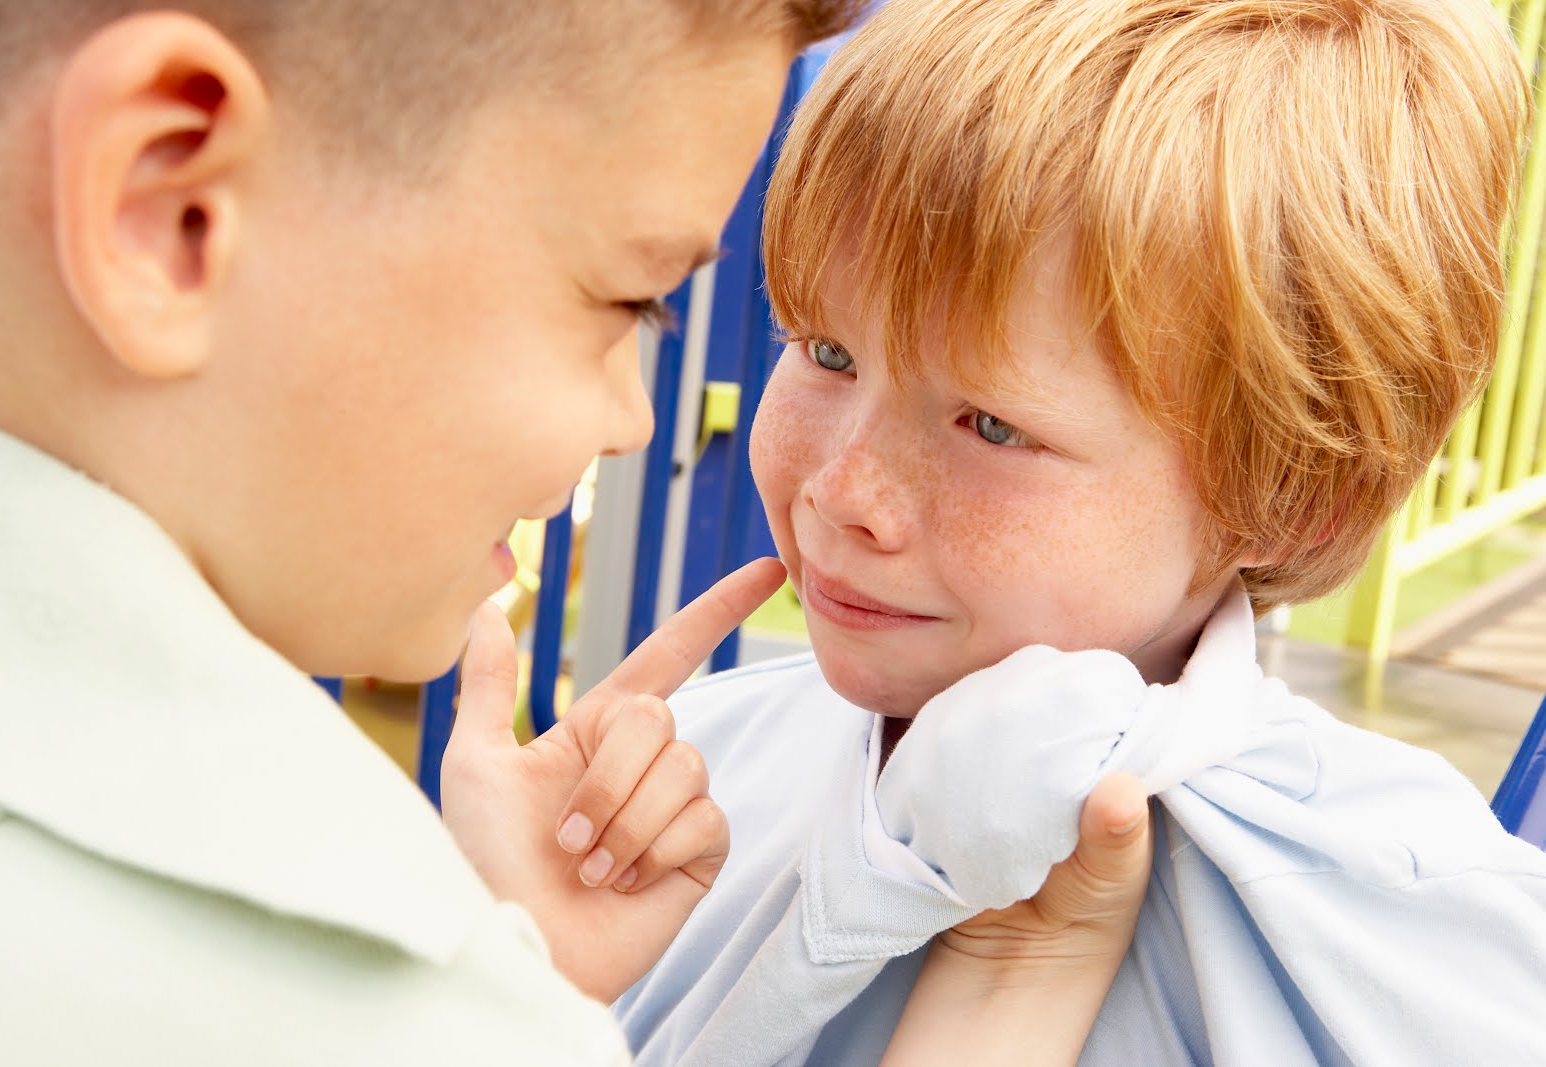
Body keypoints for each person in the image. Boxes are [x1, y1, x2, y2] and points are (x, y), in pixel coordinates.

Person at [0, 1, 1156, 1063]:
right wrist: (1010, 982)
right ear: (173, 208)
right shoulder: (338, 1007)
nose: (632, 416)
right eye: (626, 299)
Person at [614, 0, 1546, 1063]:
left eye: (995, 424)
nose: (841, 489)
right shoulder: (690, 770)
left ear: (1291, 494)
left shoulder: (1424, 953)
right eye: (825, 351)